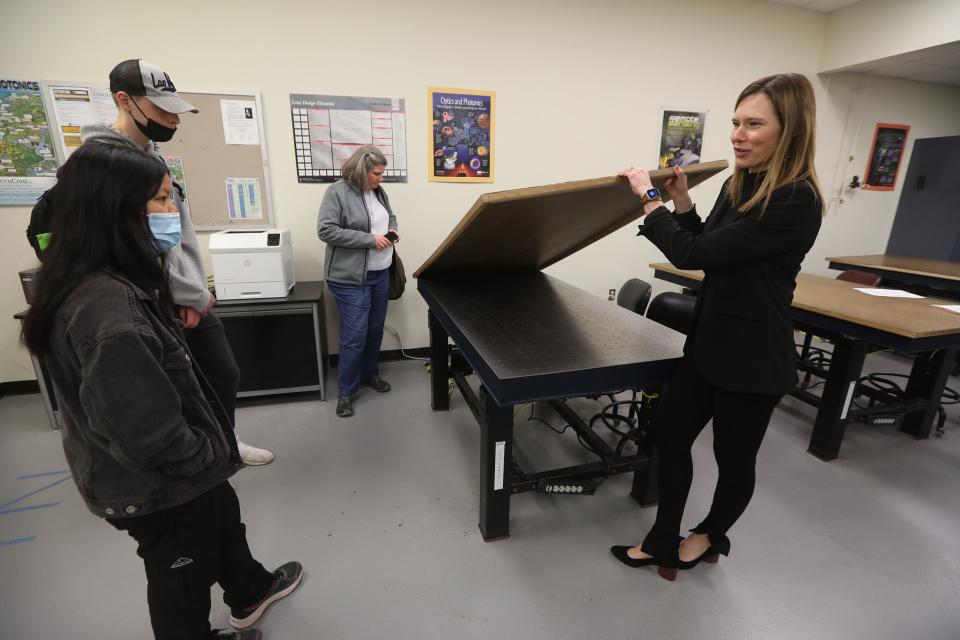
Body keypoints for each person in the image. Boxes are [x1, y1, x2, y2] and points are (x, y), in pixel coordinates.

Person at [21, 143, 302, 640]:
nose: (173, 214)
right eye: (162, 201)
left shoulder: (110, 279)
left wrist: (212, 462)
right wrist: (203, 456)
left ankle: (250, 590)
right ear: (116, 211)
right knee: (181, 579)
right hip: (158, 484)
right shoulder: (110, 312)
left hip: (184, 472)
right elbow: (147, 432)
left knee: (222, 520)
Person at [612, 73, 823, 580]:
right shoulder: (742, 182)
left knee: (734, 460)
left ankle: (708, 535)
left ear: (789, 130)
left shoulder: (796, 199)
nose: (738, 134)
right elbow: (709, 242)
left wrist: (649, 200)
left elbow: (692, 253)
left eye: (754, 124)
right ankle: (664, 536)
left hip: (753, 357)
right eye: (735, 122)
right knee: (669, 434)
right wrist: (682, 202)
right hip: (711, 343)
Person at [80, 58, 274, 465]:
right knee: (173, 385)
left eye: (175, 110)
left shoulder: (151, 155)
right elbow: (130, 244)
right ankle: (197, 456)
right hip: (149, 298)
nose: (173, 119)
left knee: (222, 373)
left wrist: (193, 289)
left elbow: (171, 236)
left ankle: (224, 441)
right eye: (163, 109)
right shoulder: (104, 163)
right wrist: (185, 292)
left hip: (183, 291)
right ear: (125, 101)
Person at [317, 145, 400, 418]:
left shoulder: (378, 191)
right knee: (354, 336)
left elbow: (389, 214)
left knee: (374, 330)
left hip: (380, 272)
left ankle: (369, 374)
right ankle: (346, 391)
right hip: (350, 278)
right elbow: (326, 230)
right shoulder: (337, 192)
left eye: (382, 173)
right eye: (377, 173)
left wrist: (393, 230)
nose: (381, 178)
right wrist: (368, 240)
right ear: (361, 170)